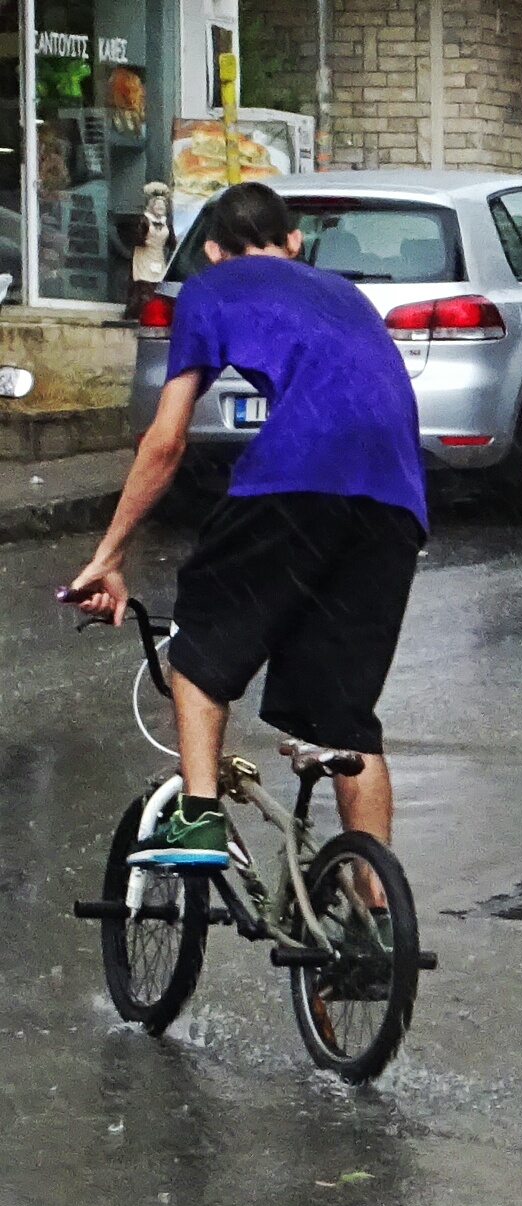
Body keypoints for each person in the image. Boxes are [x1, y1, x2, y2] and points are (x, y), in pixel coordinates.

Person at [65, 179, 426, 867]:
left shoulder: (210, 288)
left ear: (211, 250)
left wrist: (109, 554)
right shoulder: (344, 293)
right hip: (397, 496)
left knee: (201, 638)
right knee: (346, 723)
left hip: (297, 476)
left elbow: (166, 440)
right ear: (293, 241)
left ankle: (199, 817)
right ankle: (375, 920)